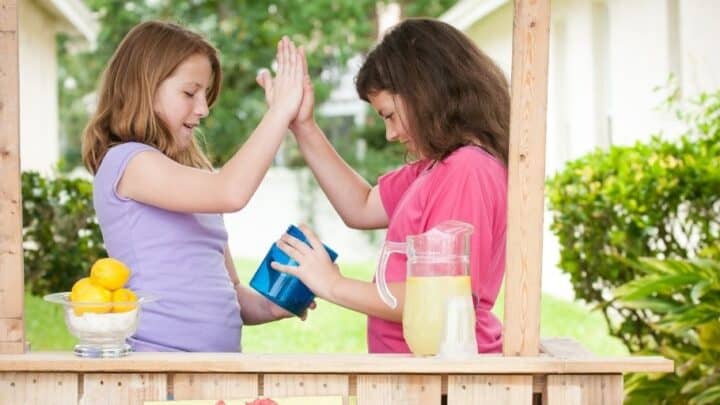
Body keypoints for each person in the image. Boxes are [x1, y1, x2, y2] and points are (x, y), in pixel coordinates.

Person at [259, 18, 509, 353]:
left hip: (442, 382)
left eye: (389, 115)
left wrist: (332, 284)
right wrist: (303, 126)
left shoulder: (467, 169)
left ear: (426, 92)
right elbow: (361, 206)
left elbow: (440, 298)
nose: (391, 134)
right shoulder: (436, 167)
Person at [81, 21, 308, 352]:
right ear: (142, 87)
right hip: (156, 368)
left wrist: (272, 305)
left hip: (209, 373)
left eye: (205, 95)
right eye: (190, 93)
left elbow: (230, 294)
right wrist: (279, 112)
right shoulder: (127, 163)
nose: (202, 109)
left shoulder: (192, 181)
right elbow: (231, 191)